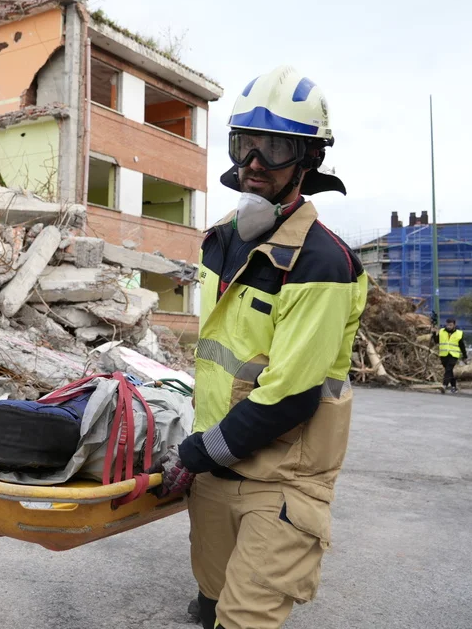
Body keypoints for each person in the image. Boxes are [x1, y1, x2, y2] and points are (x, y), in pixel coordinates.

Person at [152, 66, 367, 629]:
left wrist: (194, 454)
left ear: (308, 159)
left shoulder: (321, 261)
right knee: (211, 604)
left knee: (244, 619)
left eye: (273, 148)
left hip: (281, 479)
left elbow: (291, 395)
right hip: (217, 468)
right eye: (243, 144)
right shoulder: (220, 239)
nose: (252, 163)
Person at [434, 318, 467, 393]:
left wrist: (465, 356)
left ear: (454, 325)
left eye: (450, 325)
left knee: (448, 369)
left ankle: (444, 385)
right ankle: (454, 387)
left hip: (454, 355)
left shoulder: (459, 333)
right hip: (444, 354)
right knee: (449, 371)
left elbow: (462, 345)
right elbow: (436, 341)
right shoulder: (441, 331)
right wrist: (434, 333)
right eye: (447, 325)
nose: (448, 327)